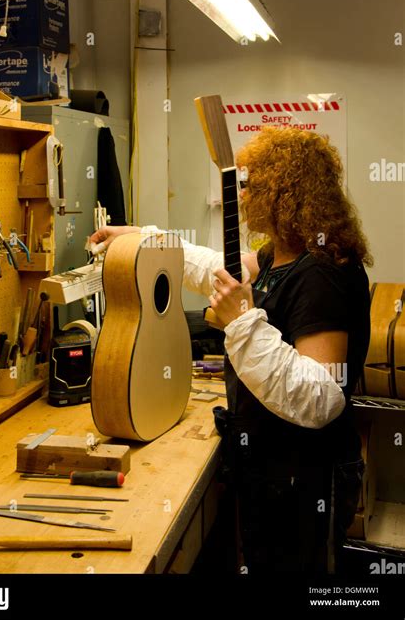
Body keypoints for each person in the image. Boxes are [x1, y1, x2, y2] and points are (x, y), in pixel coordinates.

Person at [90, 126, 372, 574]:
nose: (243, 196)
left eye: (253, 185)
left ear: (284, 194)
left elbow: (321, 397)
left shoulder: (324, 273)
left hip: (307, 478)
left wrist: (241, 320)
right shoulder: (283, 255)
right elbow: (216, 271)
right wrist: (146, 238)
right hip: (269, 464)